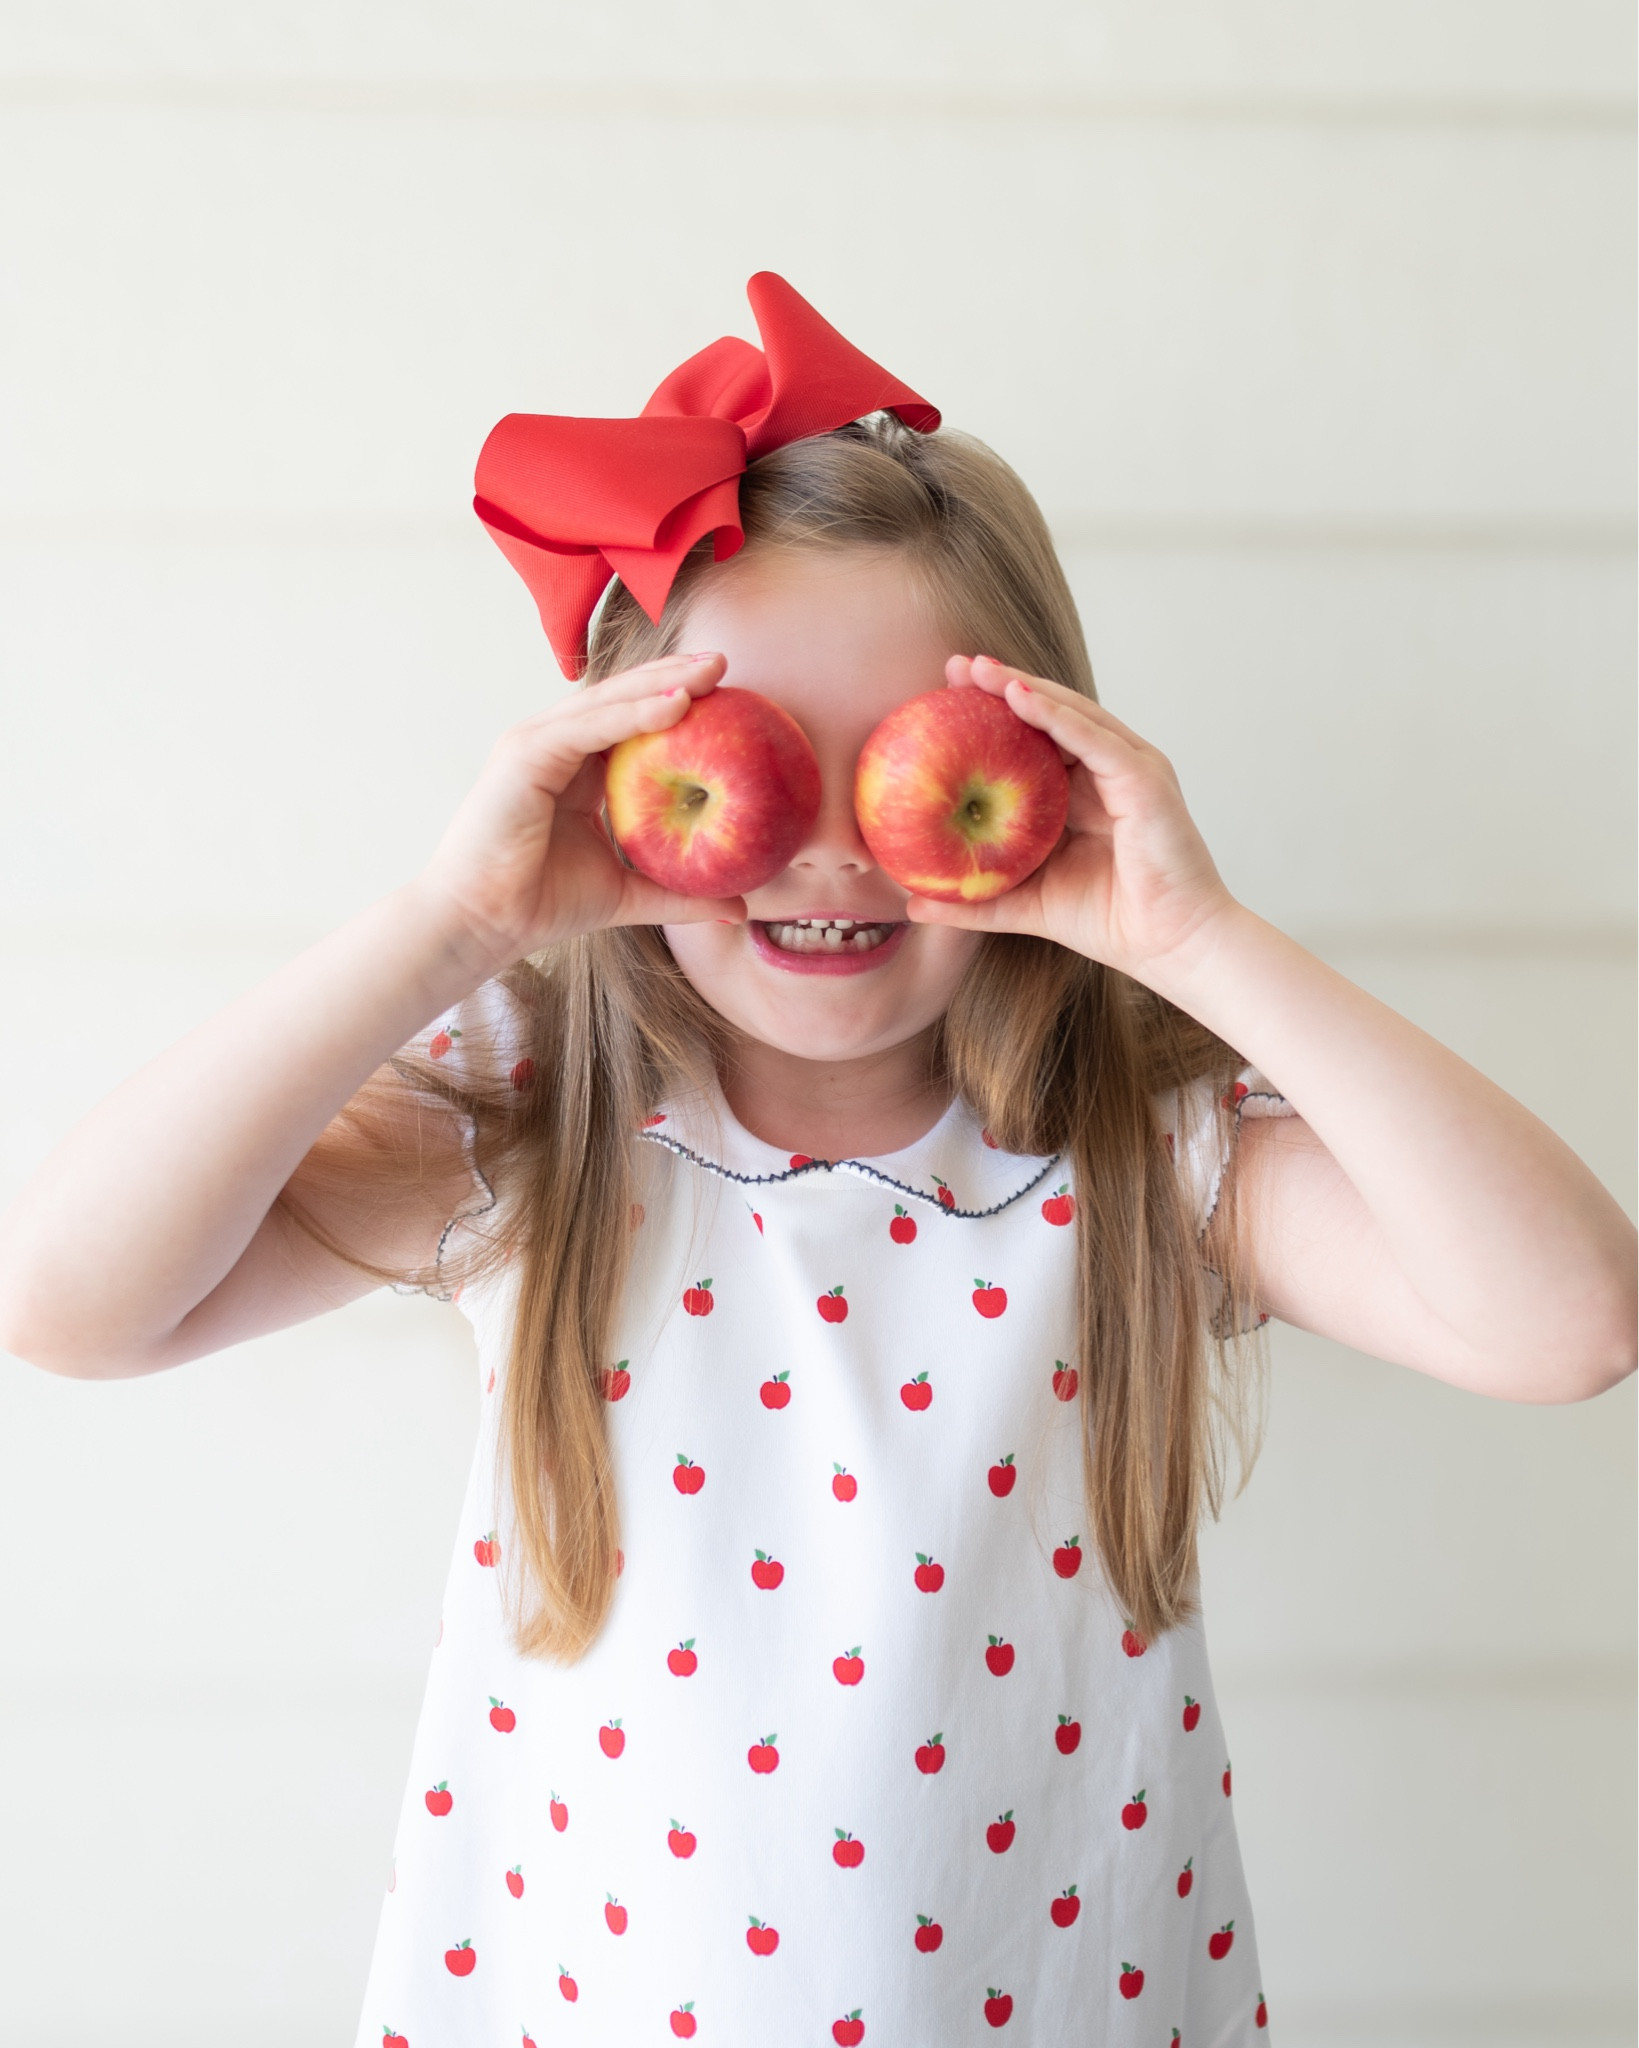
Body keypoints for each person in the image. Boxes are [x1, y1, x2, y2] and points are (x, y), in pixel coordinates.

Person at [0, 276, 1631, 2047]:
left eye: (910, 775)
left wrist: (1197, 939)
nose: (835, 857)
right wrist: (446, 922)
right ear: (621, 777)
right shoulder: (539, 1128)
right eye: (756, 766)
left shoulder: (1135, 1155)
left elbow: (1569, 1325)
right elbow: (71, 1304)